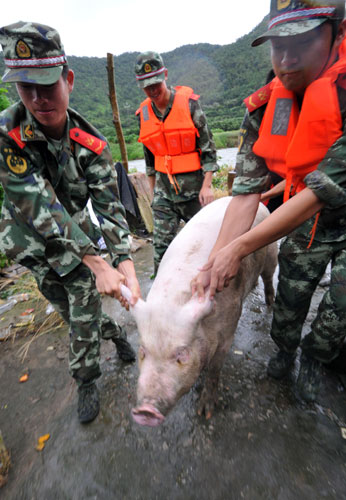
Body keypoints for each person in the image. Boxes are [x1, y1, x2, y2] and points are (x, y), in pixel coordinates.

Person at [191, 0, 346, 403]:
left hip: (323, 205)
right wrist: (215, 258)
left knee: (340, 304)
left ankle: (317, 355)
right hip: (304, 221)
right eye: (278, 45)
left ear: (338, 34)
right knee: (290, 296)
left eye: (304, 41)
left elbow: (319, 193)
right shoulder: (263, 108)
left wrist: (239, 248)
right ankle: (285, 349)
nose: (287, 58)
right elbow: (245, 193)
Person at [0, 22, 141, 423]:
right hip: (31, 243)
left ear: (70, 79)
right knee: (70, 310)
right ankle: (114, 335)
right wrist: (99, 263)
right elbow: (37, 203)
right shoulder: (7, 134)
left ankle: (86, 381)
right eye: (27, 88)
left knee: (81, 310)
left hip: (78, 240)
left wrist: (124, 261)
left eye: (48, 85)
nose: (39, 99)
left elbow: (109, 206)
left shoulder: (92, 144)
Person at [135, 51, 219, 275]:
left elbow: (209, 150)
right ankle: (161, 299)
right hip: (165, 194)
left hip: (194, 193)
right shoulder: (143, 114)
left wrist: (207, 186)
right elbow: (149, 160)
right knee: (161, 250)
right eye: (146, 87)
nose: (153, 91)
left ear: (166, 76)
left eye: (156, 84)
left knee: (204, 246)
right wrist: (153, 195)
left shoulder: (190, 105)